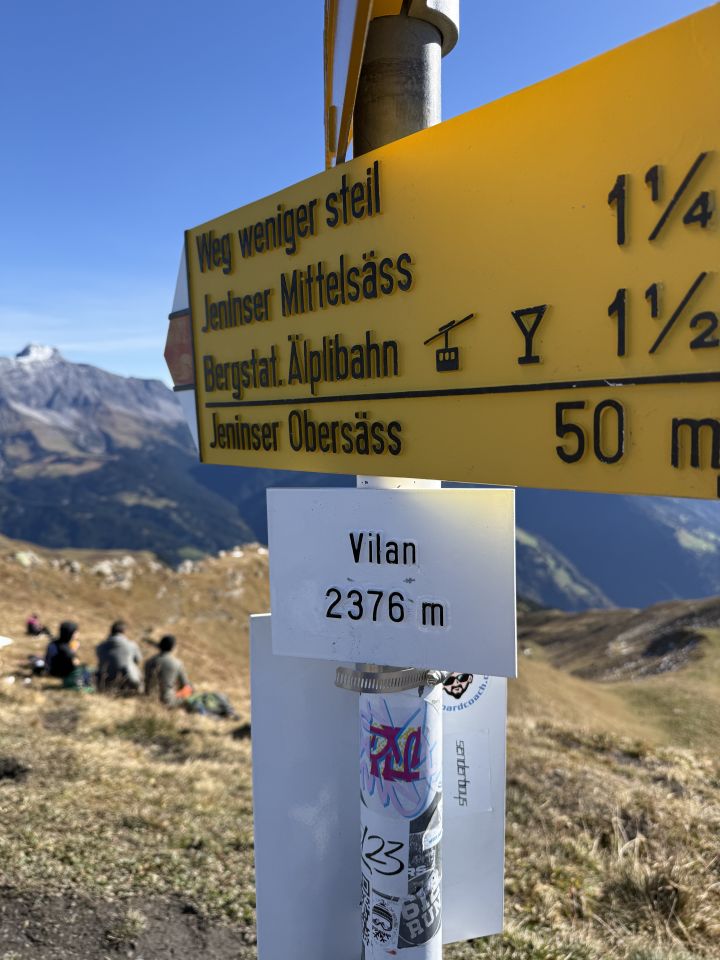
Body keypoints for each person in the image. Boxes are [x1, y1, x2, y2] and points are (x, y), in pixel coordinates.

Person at [96, 620, 142, 693]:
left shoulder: (100, 646)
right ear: (124, 632)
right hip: (129, 681)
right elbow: (138, 660)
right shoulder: (131, 645)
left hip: (105, 682)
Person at [144, 635, 191, 706]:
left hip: (148, 698)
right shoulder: (177, 663)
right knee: (189, 688)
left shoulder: (148, 661)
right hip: (168, 701)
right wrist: (177, 694)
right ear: (173, 648)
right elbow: (185, 687)